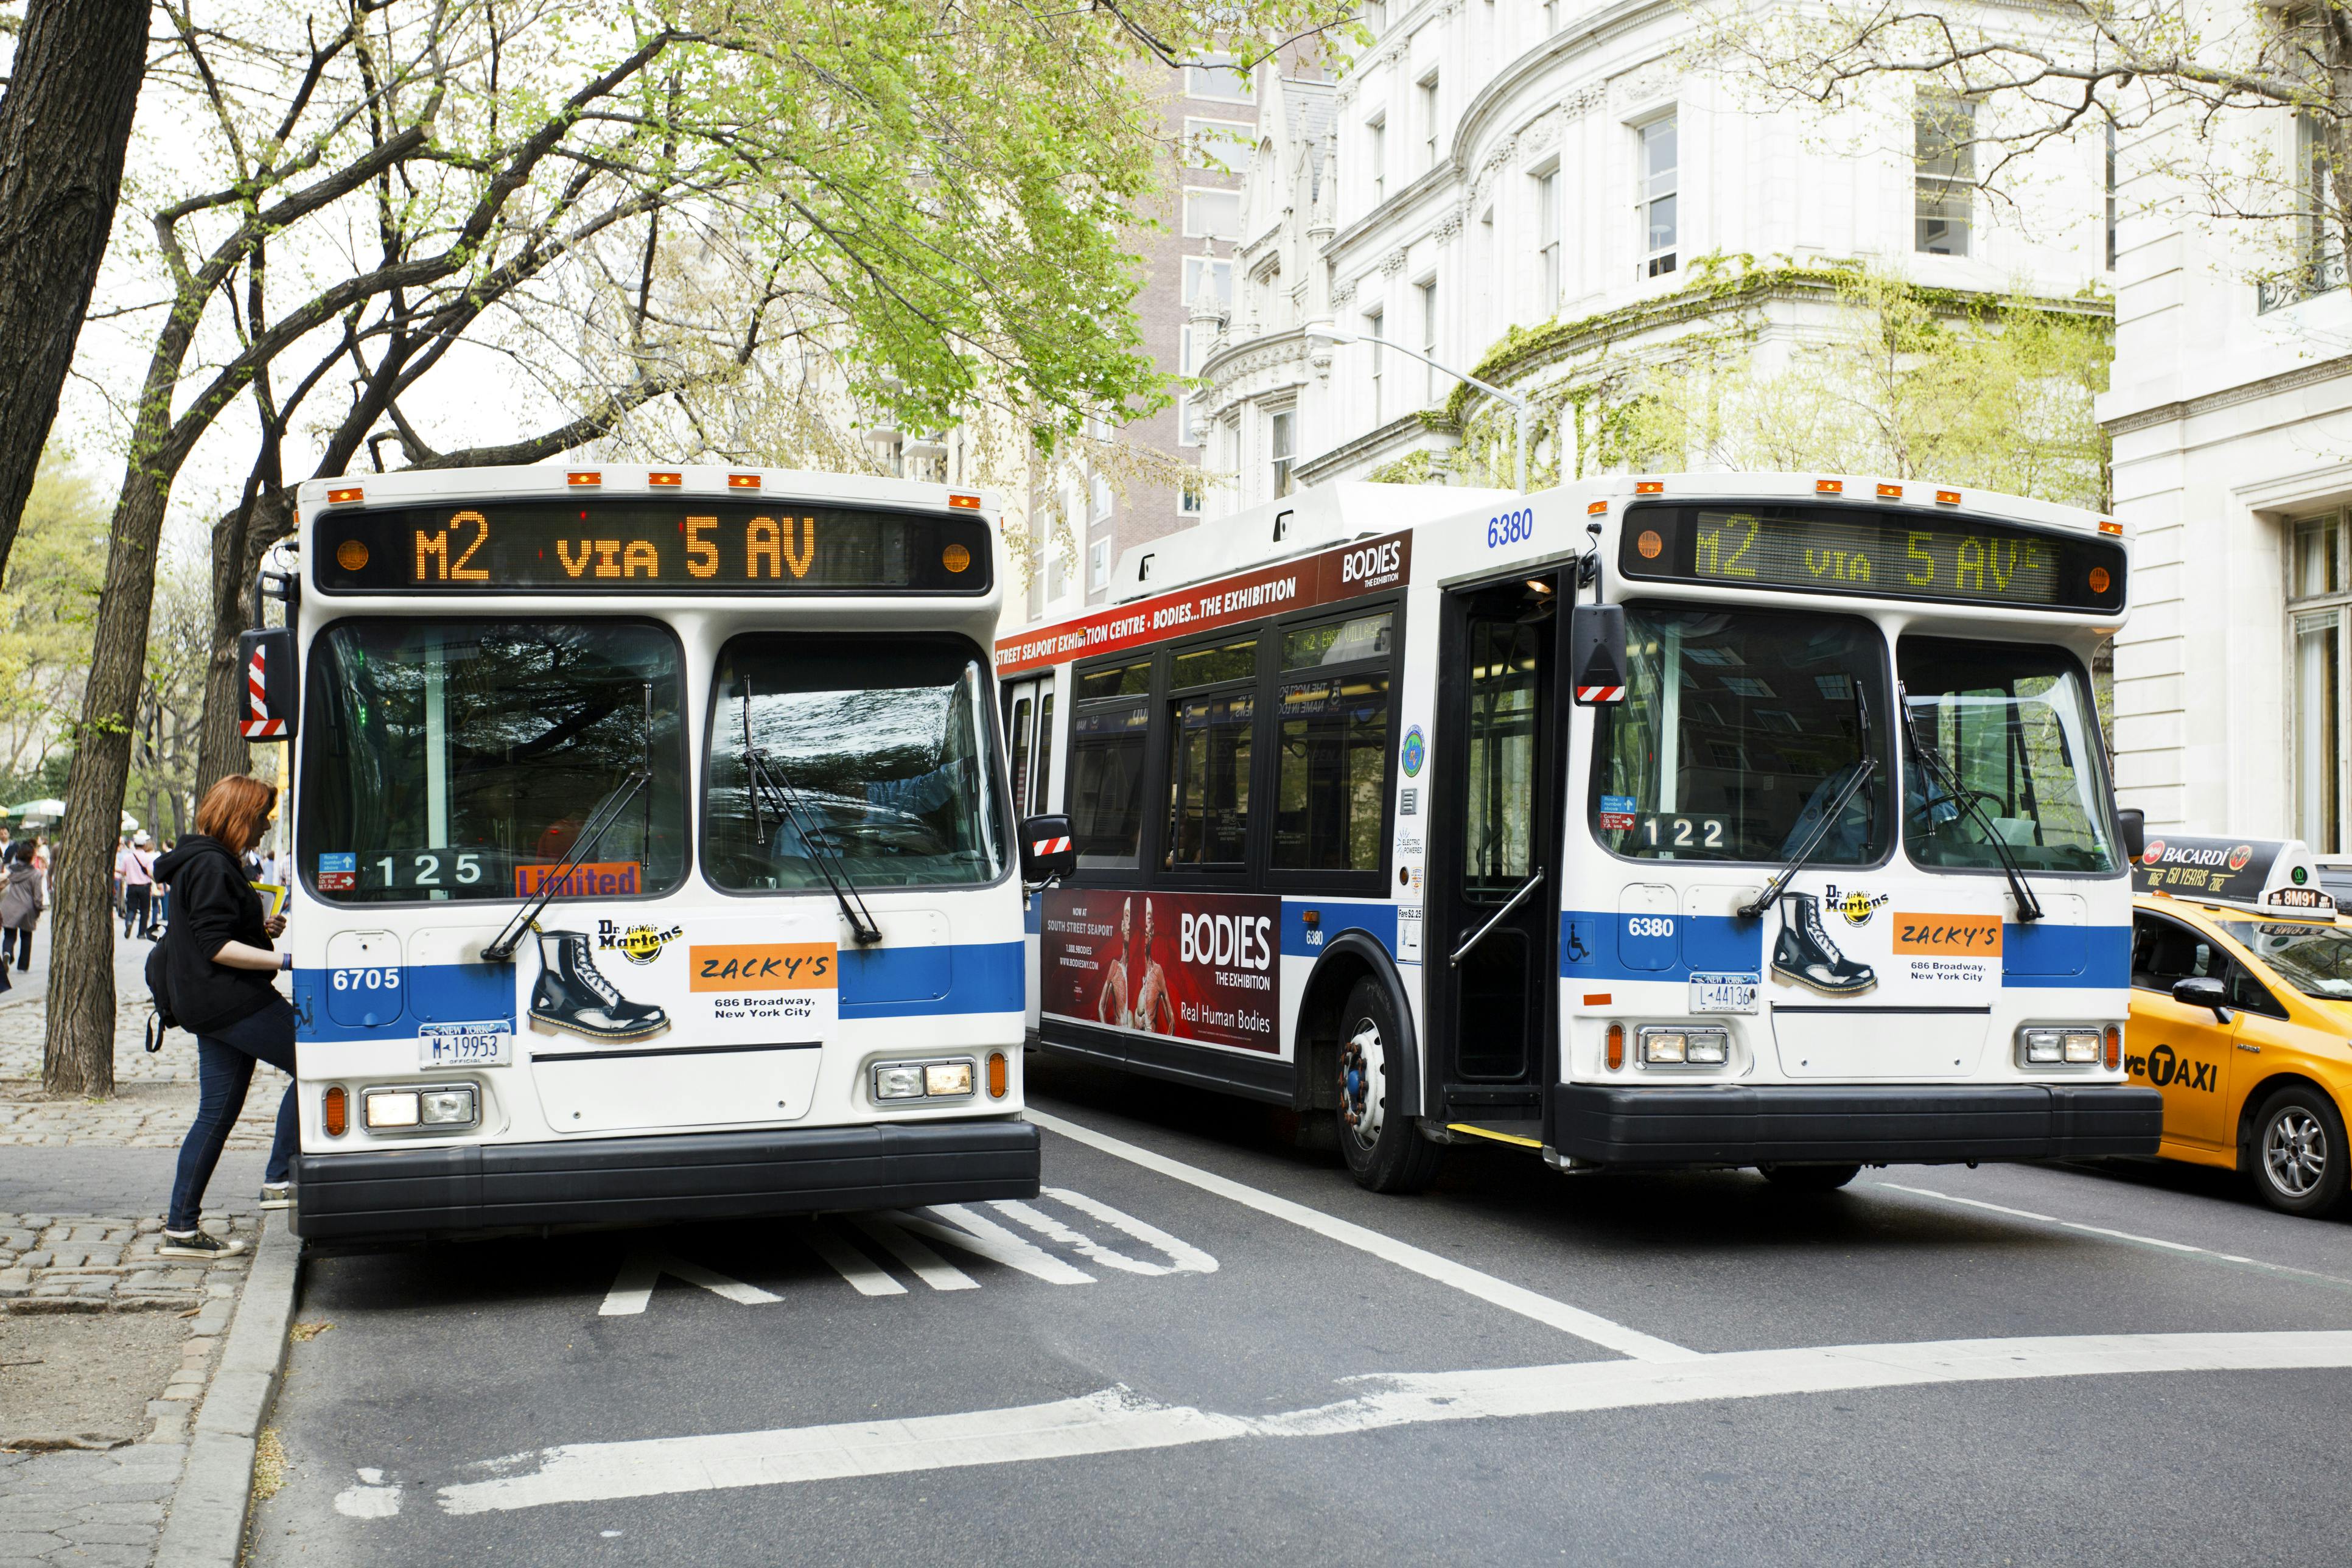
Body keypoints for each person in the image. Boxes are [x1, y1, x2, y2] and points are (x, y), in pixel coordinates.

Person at [158, 776, 295, 1258]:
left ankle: (181, 1227)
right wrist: (285, 960)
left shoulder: (198, 862)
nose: (264, 827)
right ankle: (281, 1178)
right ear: (241, 816)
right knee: (320, 1063)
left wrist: (260, 929)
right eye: (261, 818)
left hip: (208, 1004)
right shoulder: (214, 865)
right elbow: (216, 946)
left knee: (215, 1115)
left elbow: (207, 933)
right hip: (232, 1000)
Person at [0, 839, 47, 975]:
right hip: (27, 909)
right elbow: (37, 896)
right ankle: (23, 966)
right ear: (31, 857)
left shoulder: (11, 871)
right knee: (26, 937)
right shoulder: (36, 874)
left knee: (9, 935)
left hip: (9, 906)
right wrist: (39, 908)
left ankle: (7, 953)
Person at [118, 831, 158, 939]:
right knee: (145, 910)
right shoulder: (148, 858)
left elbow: (123, 872)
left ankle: (129, 921)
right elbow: (150, 872)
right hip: (145, 886)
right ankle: (141, 933)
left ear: (135, 845)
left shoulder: (127, 857)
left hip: (132, 886)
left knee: (131, 908)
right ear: (144, 845)